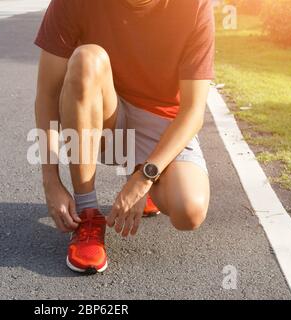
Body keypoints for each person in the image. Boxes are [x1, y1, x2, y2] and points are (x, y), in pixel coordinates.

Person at [34, 0, 214, 273]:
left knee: (190, 211)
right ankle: (88, 215)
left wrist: (144, 178)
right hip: (107, 115)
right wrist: (51, 181)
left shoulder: (194, 5)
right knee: (86, 58)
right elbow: (47, 95)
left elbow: (192, 112)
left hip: (164, 124)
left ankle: (151, 177)